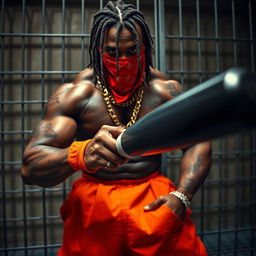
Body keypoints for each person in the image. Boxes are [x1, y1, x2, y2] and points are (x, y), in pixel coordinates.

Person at [21, 1, 212, 255]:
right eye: (112, 53)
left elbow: (199, 141)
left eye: (132, 51)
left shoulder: (164, 91)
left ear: (145, 48)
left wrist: (182, 196)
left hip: (151, 198)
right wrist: (80, 153)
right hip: (95, 204)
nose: (123, 62)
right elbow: (30, 166)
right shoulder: (78, 94)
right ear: (98, 50)